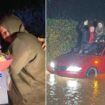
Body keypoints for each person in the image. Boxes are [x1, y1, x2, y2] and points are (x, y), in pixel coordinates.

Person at [0, 15, 45, 105]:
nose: (4, 37)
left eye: (5, 32)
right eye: (1, 34)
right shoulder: (28, 38)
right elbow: (9, 58)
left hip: (30, 99)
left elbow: (6, 66)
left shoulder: (21, 40)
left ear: (13, 26)